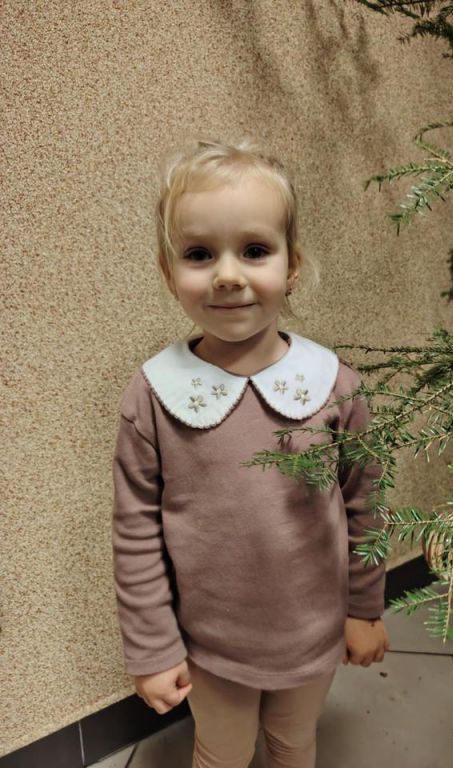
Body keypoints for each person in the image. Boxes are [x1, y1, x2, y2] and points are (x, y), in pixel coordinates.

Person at [111, 137, 390, 768]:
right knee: (222, 752)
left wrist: (364, 608)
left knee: (293, 743)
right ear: (168, 272)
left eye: (255, 250)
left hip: (313, 633)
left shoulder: (334, 384)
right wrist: (152, 647)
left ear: (292, 266)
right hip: (211, 645)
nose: (228, 275)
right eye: (199, 254)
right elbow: (135, 531)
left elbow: (365, 504)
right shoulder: (153, 396)